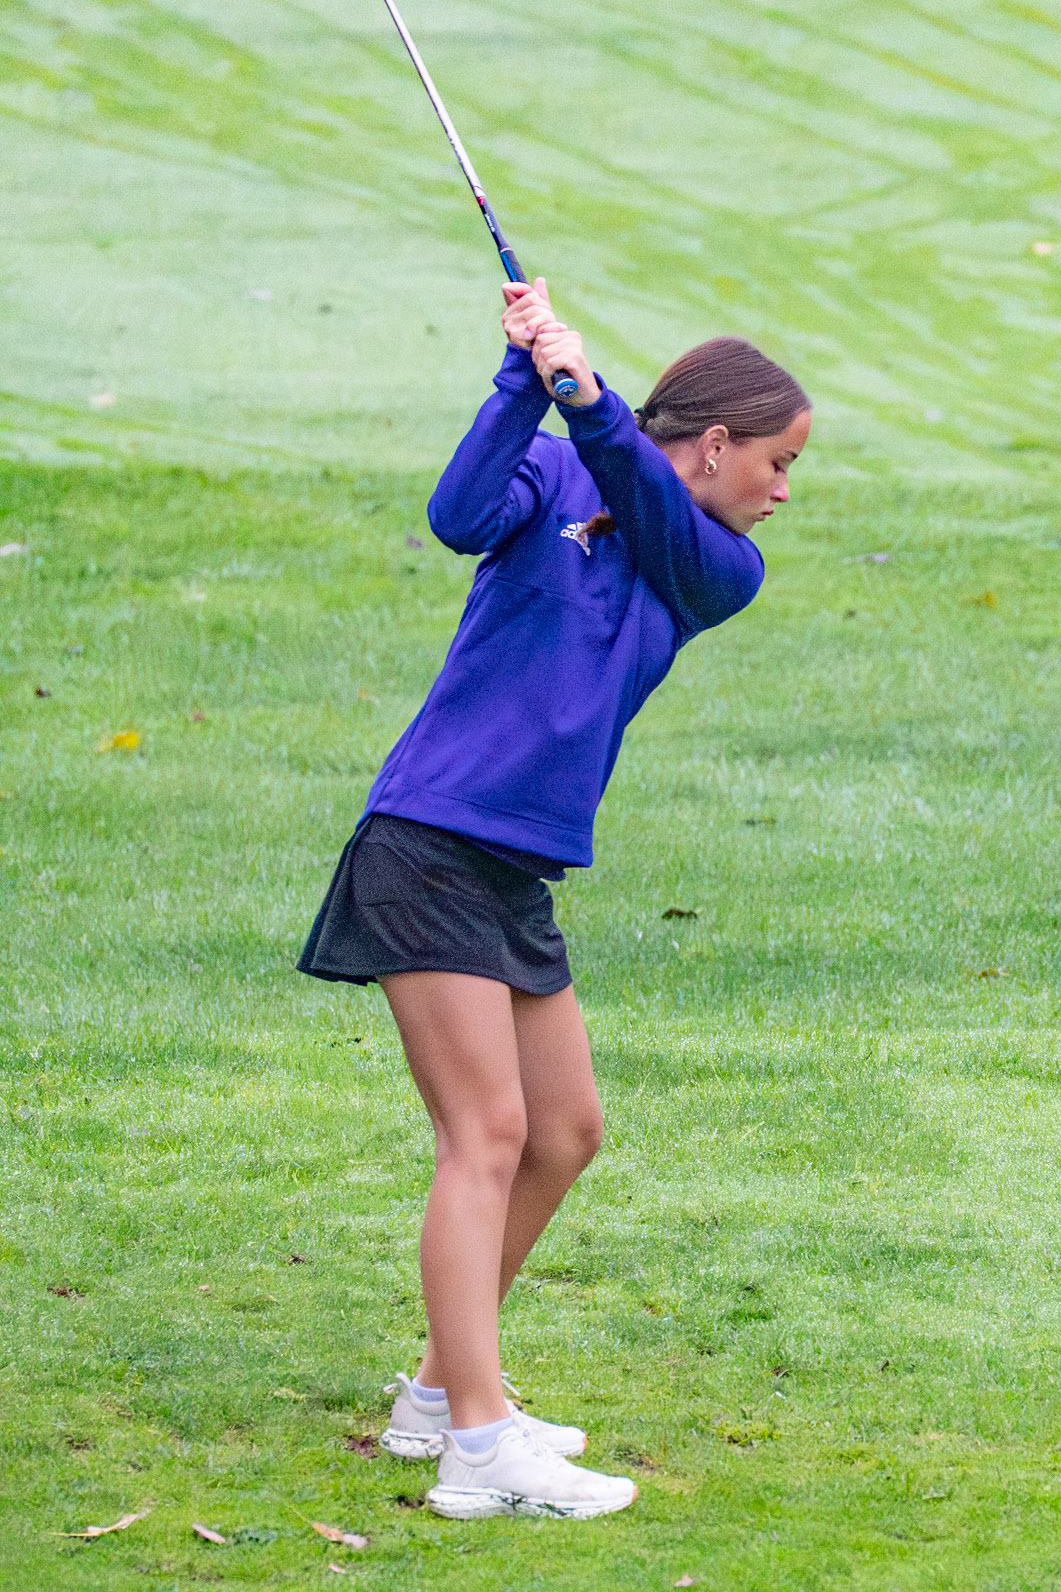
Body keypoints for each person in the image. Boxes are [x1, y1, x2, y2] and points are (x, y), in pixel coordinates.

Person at [297, 278, 812, 1519]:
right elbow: (457, 515)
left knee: (564, 1129)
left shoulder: (718, 564)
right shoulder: (554, 466)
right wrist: (523, 380)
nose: (784, 490)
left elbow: (636, 493)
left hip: (514, 869)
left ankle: (436, 1392)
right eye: (781, 463)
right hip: (427, 842)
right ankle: (479, 1446)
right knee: (486, 1136)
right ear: (715, 443)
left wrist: (587, 404)